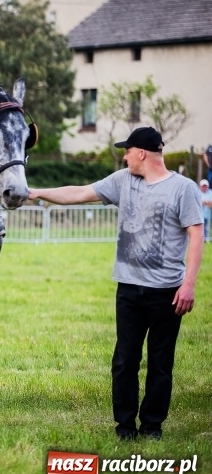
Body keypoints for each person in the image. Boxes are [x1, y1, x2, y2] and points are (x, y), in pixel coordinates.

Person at [28, 127, 203, 441]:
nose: (124, 158)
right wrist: (37, 193)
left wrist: (188, 285)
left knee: (161, 363)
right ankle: (125, 427)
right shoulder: (123, 181)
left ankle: (152, 427)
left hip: (167, 291)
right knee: (124, 361)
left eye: (127, 151)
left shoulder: (183, 188)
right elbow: (79, 193)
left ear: (141, 153)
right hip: (129, 289)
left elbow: (196, 234)